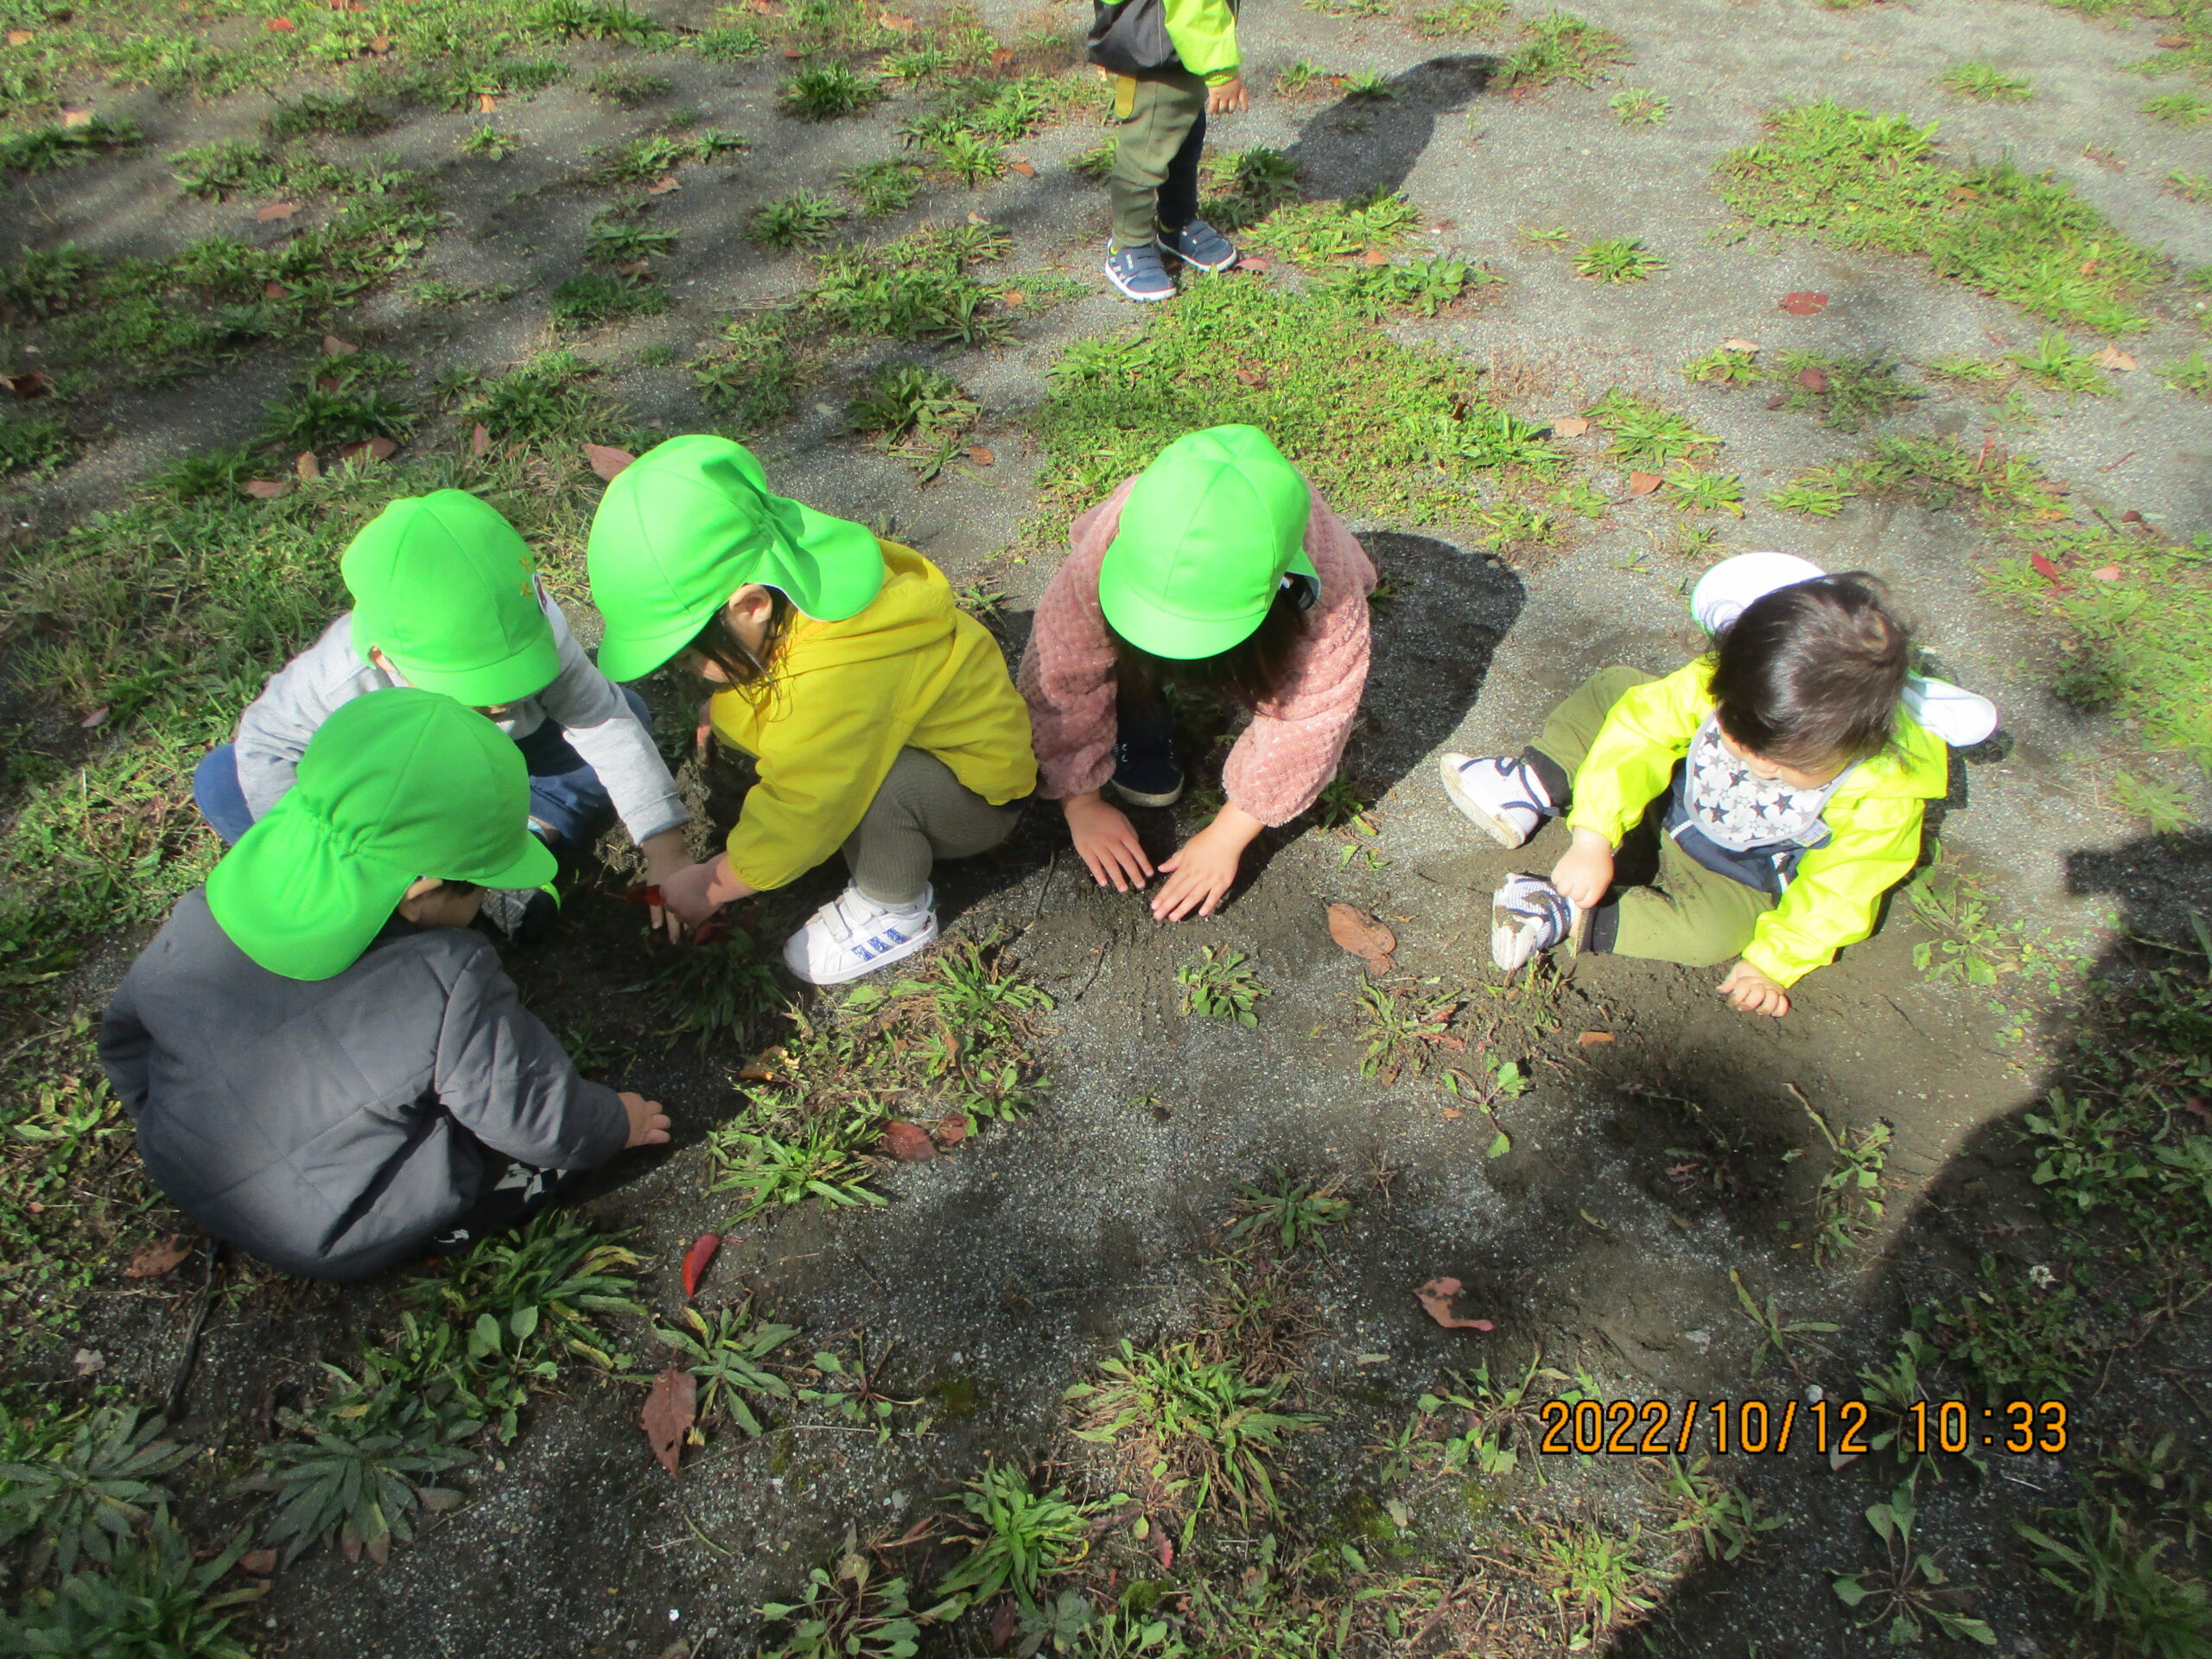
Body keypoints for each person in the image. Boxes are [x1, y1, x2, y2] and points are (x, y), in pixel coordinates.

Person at [101, 690, 671, 1281]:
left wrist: (161, 1118)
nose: (484, 898)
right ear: (419, 896)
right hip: (333, 1234)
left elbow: (125, 1039)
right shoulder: (449, 979)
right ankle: (459, 1224)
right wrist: (612, 1123)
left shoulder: (207, 909)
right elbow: (535, 1116)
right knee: (504, 1157)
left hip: (178, 1159)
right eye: (481, 883)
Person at [584, 435, 1037, 986]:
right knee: (839, 763)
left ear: (752, 606)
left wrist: (711, 885)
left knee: (876, 791)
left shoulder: (836, 680)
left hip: (975, 799)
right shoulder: (804, 568)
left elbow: (806, 807)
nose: (685, 673)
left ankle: (895, 907)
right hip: (917, 736)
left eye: (690, 658)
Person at [1437, 570, 1948, 1018]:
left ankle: (1562, 910)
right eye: (1737, 740)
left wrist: (1773, 964)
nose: (1757, 765)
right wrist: (1593, 834)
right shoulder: (1722, 684)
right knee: (1620, 691)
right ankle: (1534, 783)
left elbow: (1842, 889)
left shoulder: (1883, 794)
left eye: (1788, 766)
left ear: (1863, 740)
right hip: (1668, 789)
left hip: (1732, 865)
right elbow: (1639, 735)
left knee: (1718, 934)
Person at [194, 489, 692, 938]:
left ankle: (521, 840)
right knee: (223, 778)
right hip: (394, 791)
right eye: (475, 689)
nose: (500, 703)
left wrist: (667, 852)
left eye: (519, 674)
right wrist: (340, 864)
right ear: (384, 660)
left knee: (627, 716)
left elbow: (603, 724)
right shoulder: (338, 680)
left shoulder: (537, 625)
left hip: (508, 761)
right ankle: (402, 895)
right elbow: (267, 745)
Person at [1020, 424, 1376, 921]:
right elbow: (1062, 665)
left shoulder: (1326, 593)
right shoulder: (1100, 555)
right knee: (1093, 639)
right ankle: (1141, 724)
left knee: (1329, 640)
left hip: (1301, 571)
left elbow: (1315, 715)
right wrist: (1079, 800)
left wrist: (1229, 835)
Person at [1090, 0, 1249, 300]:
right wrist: (1220, 69)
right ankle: (1128, 243)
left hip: (1177, 43)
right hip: (1158, 47)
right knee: (1146, 152)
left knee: (1184, 133)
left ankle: (1177, 221)